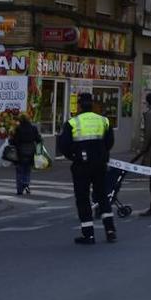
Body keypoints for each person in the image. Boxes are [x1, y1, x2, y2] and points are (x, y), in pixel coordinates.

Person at [59, 93, 119, 244]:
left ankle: (89, 234)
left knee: (83, 198)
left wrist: (74, 156)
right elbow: (109, 142)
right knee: (102, 196)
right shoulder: (103, 121)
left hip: (81, 165)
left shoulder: (73, 122)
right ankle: (110, 231)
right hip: (100, 164)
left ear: (79, 105)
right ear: (92, 104)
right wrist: (102, 153)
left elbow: (63, 146)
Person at [9, 114, 41, 195]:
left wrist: (11, 139)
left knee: (20, 171)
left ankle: (20, 189)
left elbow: (14, 141)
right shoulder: (33, 128)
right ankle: (26, 185)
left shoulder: (18, 129)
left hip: (20, 151)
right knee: (27, 170)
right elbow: (38, 140)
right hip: (31, 151)